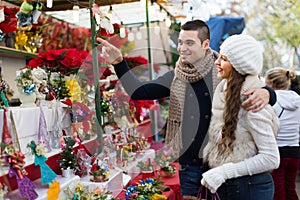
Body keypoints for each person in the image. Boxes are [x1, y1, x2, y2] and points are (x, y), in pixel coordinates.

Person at [98, 20, 276, 199]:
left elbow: (251, 86)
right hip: (190, 166)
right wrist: (119, 62)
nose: (182, 48)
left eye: (189, 43)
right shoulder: (177, 77)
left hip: (221, 167)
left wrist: (268, 92)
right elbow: (138, 91)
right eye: (180, 42)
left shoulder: (225, 72)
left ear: (205, 44)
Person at [201, 35, 280, 200]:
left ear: (239, 66)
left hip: (249, 188)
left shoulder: (253, 102)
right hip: (231, 185)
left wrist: (223, 171)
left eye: (223, 59)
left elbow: (271, 158)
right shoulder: (223, 93)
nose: (217, 62)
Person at [265, 67, 300, 200]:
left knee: (277, 191)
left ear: (270, 83)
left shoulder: (271, 100)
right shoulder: (297, 99)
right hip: (295, 151)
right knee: (290, 189)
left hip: (277, 150)